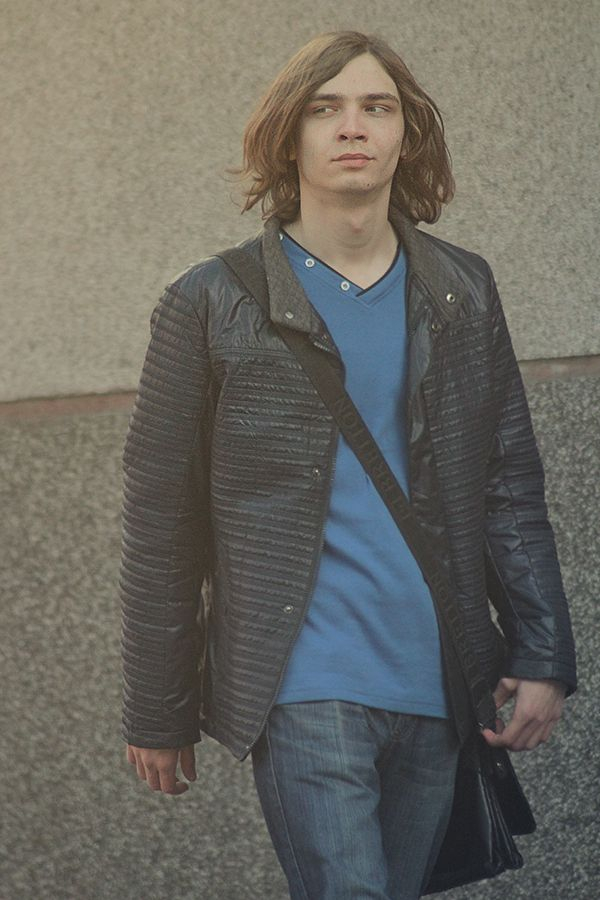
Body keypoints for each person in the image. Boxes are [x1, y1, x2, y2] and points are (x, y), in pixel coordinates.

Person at [120, 30, 577, 899]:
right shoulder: (210, 301)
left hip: (437, 675)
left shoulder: (461, 290)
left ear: (408, 133)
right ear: (288, 136)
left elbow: (509, 485)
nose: (353, 126)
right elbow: (160, 520)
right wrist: (158, 703)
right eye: (325, 108)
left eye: (377, 106)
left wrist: (544, 651)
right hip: (303, 678)